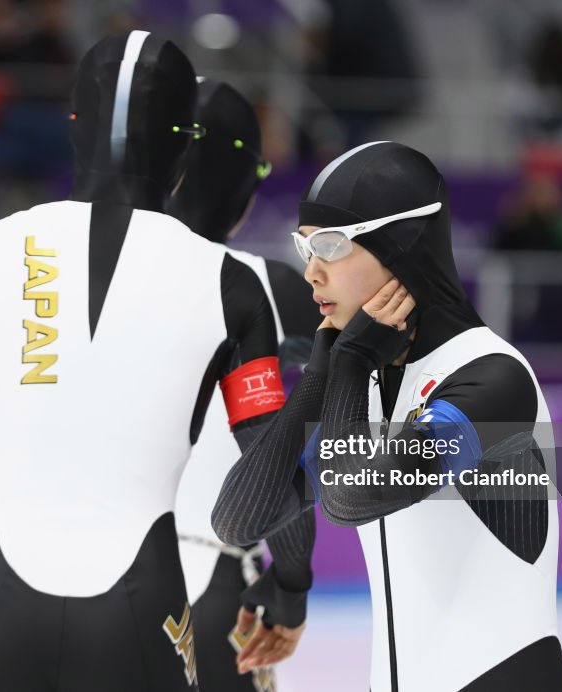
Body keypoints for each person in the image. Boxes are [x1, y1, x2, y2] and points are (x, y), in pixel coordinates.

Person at [0, 31, 292, 691]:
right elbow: (270, 488)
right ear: (183, 144)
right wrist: (293, 584)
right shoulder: (233, 288)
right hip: (140, 605)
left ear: (74, 130)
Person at [212, 141, 562, 691]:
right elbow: (237, 521)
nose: (311, 272)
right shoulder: (366, 389)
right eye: (305, 248)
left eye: (331, 246)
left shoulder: (493, 380)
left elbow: (348, 498)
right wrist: (319, 378)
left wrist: (351, 363)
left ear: (400, 245)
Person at [165, 78, 320, 690]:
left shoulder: (79, 274)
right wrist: (292, 581)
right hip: (219, 580)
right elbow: (280, 458)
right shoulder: (275, 289)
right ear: (247, 186)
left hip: (72, 575)